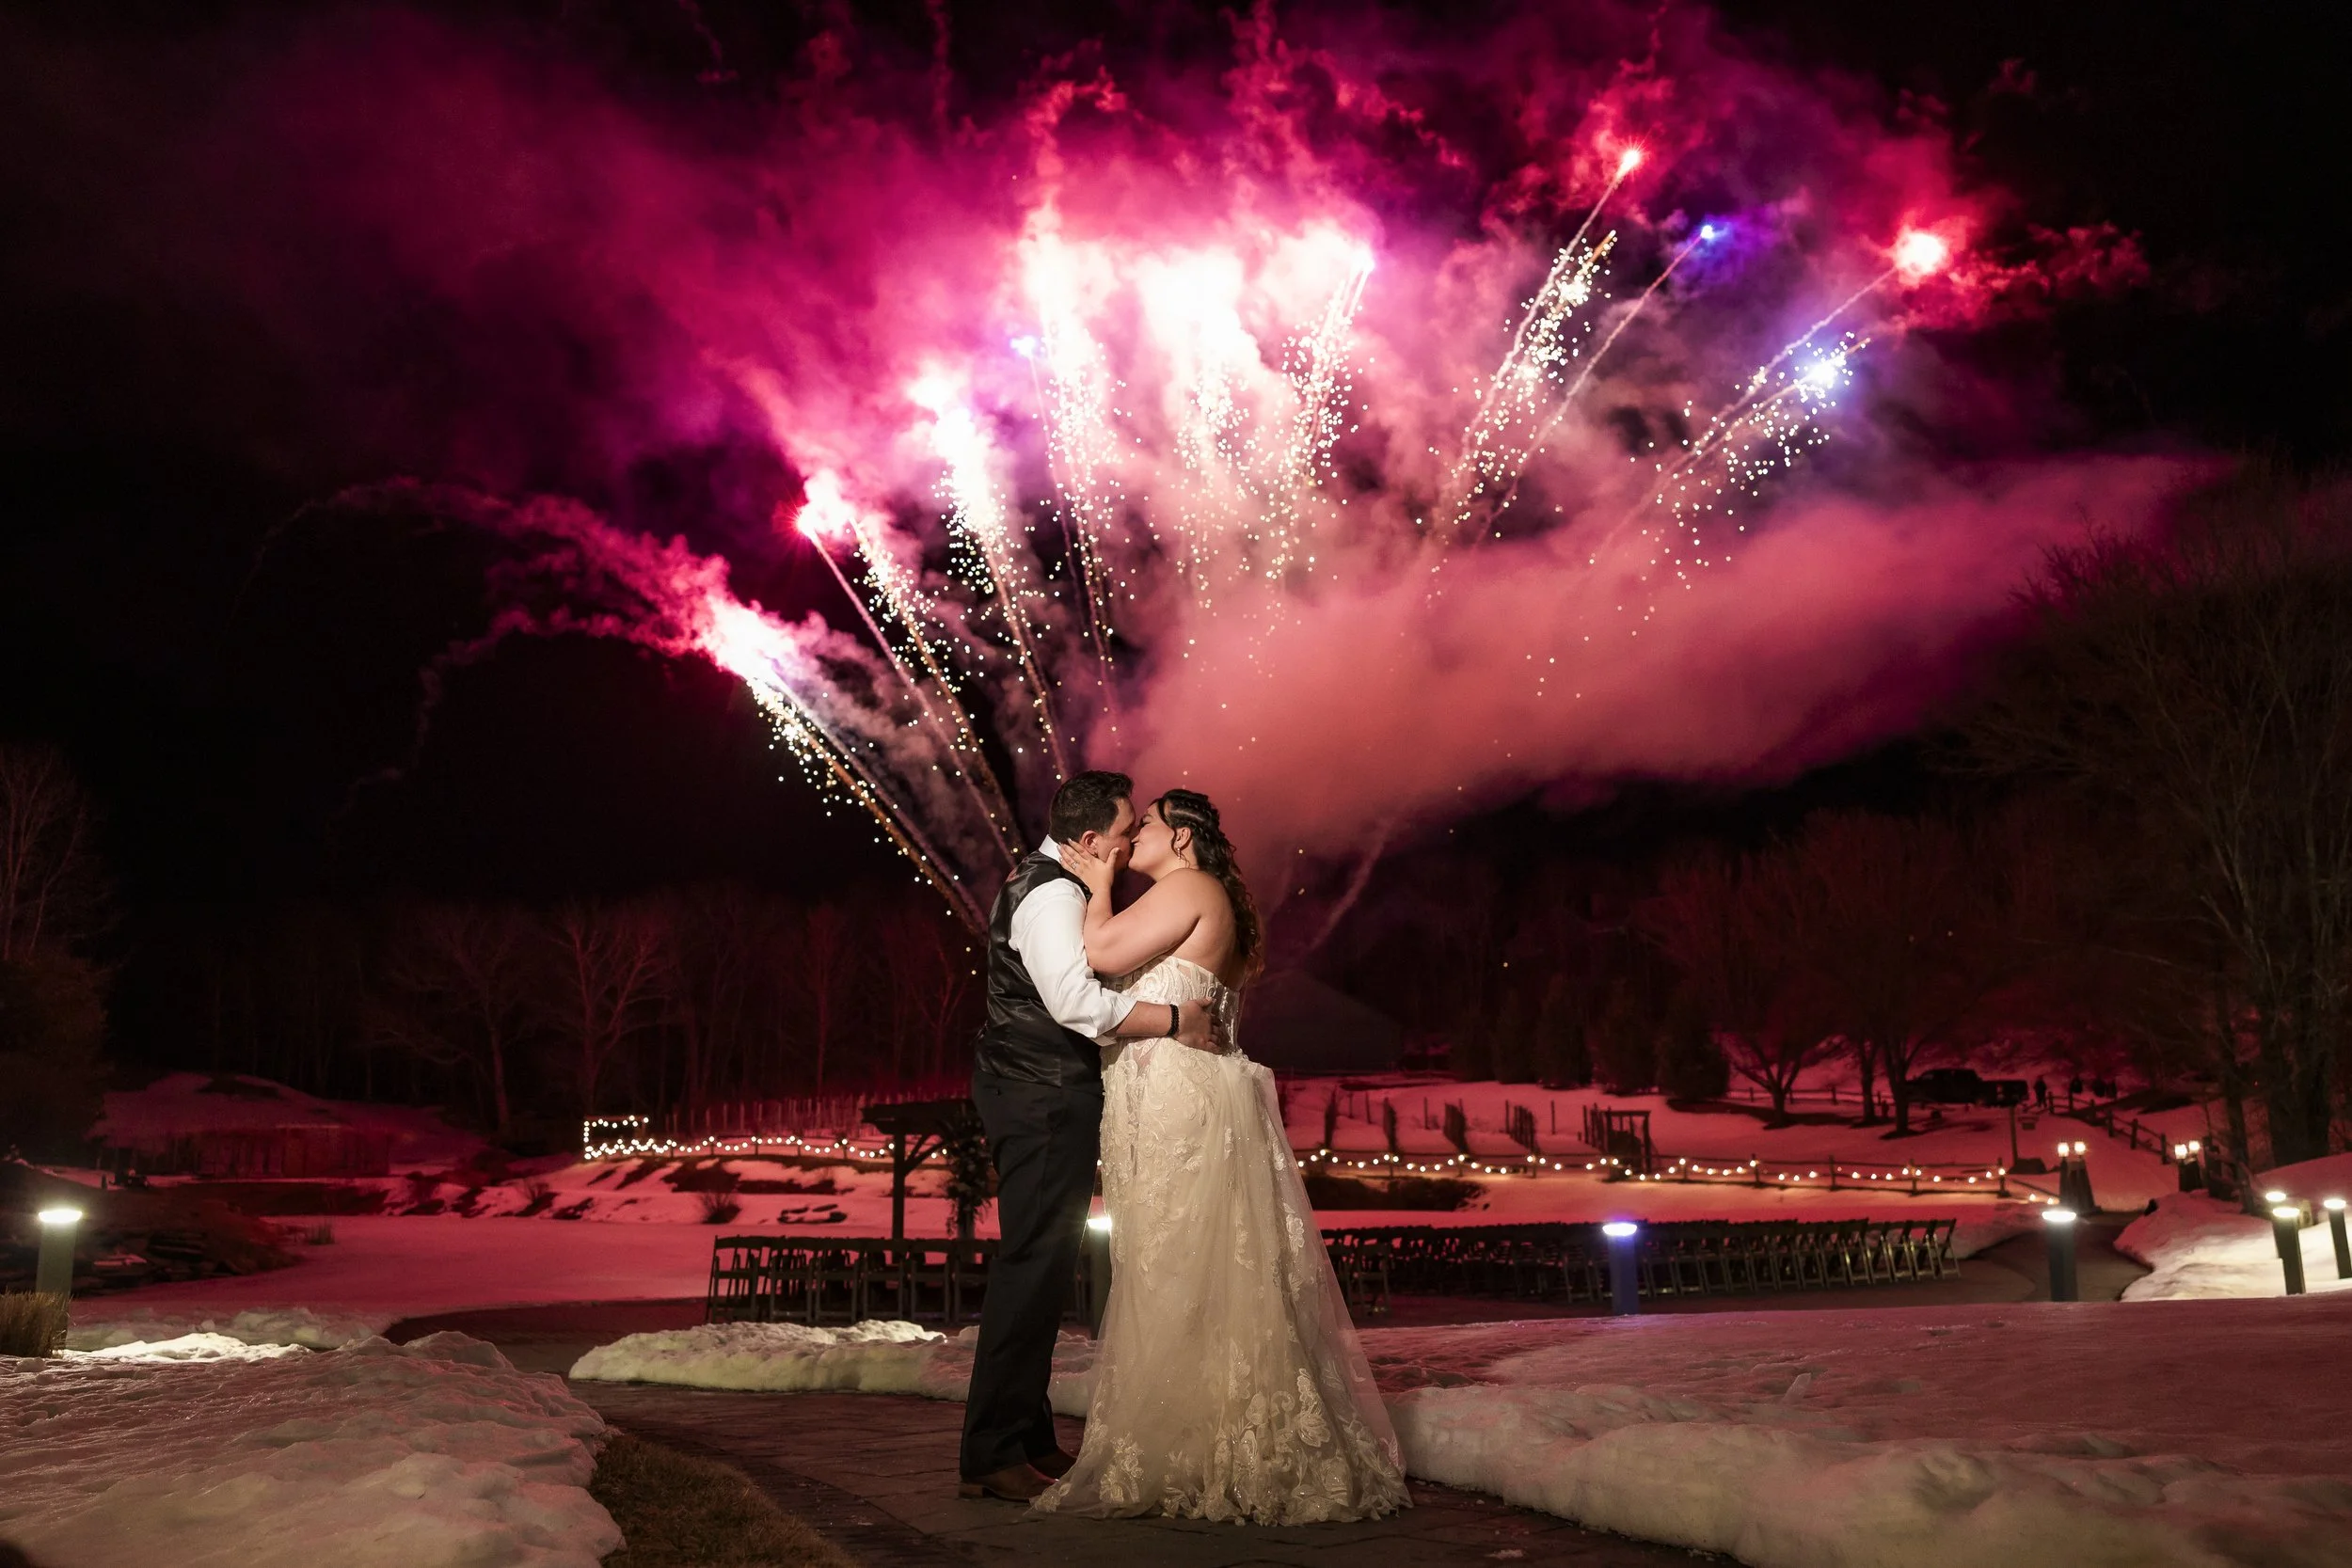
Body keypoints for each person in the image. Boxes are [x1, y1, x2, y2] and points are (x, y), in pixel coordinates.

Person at [1035, 788, 1408, 1525]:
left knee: (1185, 1265)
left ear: (1181, 838)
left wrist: (1100, 881)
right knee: (1175, 1267)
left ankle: (1216, 1449)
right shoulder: (1187, 892)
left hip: (1179, 1102)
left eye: (1144, 823)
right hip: (1163, 1099)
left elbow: (1101, 952)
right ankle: (1194, 1441)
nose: (1129, 832)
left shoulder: (1190, 887)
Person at [957, 770, 1218, 1503]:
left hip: (1039, 1091)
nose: (1133, 838)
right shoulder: (1051, 893)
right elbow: (1075, 1003)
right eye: (1125, 828)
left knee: (1042, 1269)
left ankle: (1027, 1437)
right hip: (1039, 1094)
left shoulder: (1053, 884)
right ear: (1087, 841)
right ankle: (992, 1450)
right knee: (1032, 1267)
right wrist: (1174, 1021)